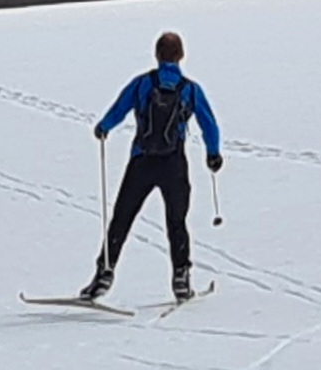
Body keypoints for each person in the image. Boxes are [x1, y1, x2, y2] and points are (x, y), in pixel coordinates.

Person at [85, 32, 223, 303]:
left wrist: (103, 127)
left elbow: (119, 109)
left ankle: (104, 273)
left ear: (157, 55)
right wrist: (213, 154)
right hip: (174, 163)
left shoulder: (142, 84)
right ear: (181, 55)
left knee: (122, 218)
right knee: (176, 221)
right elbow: (209, 123)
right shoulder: (190, 89)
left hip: (142, 161)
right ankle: (181, 277)